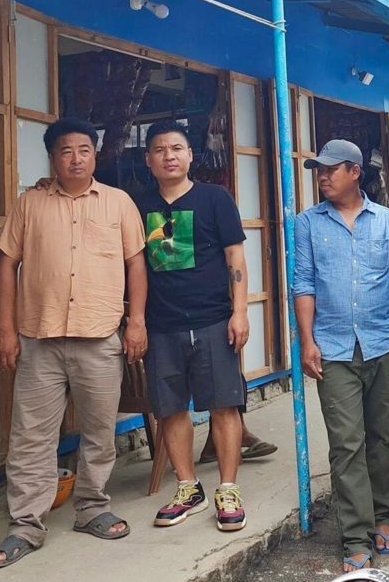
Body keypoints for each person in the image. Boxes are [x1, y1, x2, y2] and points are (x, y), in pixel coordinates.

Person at [0, 118, 147, 569]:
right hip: (39, 337)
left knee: (99, 430)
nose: (75, 158)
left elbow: (136, 264)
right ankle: (25, 525)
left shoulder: (119, 203)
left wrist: (135, 322)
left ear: (96, 155)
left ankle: (92, 507)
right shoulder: (29, 203)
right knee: (31, 435)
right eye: (65, 151)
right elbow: (6, 268)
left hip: (99, 336)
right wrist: (4, 329)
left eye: (83, 150)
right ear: (52, 158)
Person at [292, 139, 389, 573]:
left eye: (329, 169)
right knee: (346, 444)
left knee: (382, 437)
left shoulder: (386, 221)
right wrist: (306, 341)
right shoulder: (307, 224)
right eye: (318, 170)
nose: (322, 177)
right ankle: (355, 535)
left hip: (380, 344)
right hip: (332, 350)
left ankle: (381, 516)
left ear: (354, 172)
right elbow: (303, 284)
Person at [136, 120, 251, 532]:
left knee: (223, 404)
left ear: (190, 156)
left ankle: (228, 487)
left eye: (177, 148)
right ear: (149, 160)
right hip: (161, 324)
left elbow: (235, 258)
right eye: (160, 150)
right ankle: (188, 487)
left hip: (213, 319)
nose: (169, 155)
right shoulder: (137, 204)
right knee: (170, 408)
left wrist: (240, 312)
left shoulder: (214, 198)